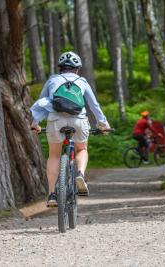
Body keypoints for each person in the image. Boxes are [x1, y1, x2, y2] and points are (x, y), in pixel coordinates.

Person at [30, 51, 111, 207]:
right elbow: (94, 106)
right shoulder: (82, 81)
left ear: (60, 68)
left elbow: (41, 103)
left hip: (55, 119)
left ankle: (52, 194)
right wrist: (103, 124)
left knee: (54, 155)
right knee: (81, 149)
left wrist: (35, 124)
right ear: (77, 69)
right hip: (79, 120)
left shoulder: (52, 80)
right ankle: (80, 173)